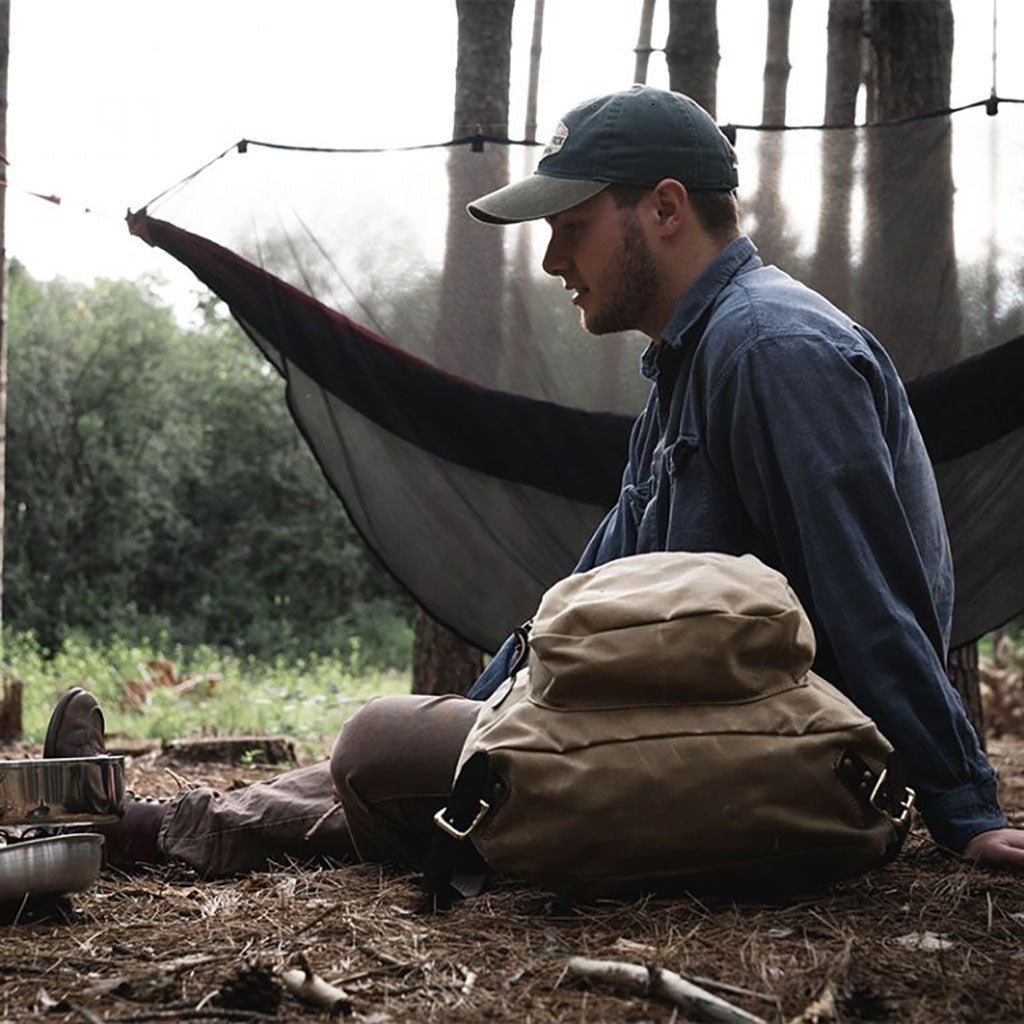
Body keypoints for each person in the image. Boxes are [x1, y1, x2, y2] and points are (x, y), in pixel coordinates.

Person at [44, 85, 1024, 876]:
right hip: (671, 727)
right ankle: (136, 825)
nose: (553, 258)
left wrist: (963, 808)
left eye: (572, 224)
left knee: (381, 747)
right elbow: (577, 606)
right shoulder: (691, 362)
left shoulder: (774, 349)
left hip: (782, 759)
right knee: (410, 744)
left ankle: (137, 828)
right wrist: (491, 704)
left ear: (666, 209)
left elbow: (872, 594)